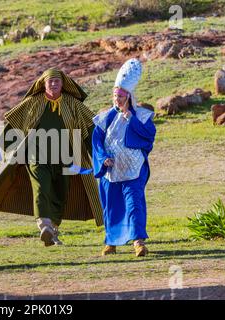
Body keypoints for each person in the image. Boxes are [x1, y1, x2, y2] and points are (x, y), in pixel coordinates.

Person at [0, 68, 103, 246]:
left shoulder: (74, 104)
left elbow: (91, 131)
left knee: (61, 194)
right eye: (50, 81)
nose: (53, 84)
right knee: (41, 188)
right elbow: (13, 126)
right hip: (36, 156)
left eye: (57, 81)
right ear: (43, 84)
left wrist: (99, 156)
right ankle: (44, 225)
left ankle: (53, 230)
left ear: (63, 84)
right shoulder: (32, 102)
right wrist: (5, 152)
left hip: (67, 158)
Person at [92, 58, 156, 257]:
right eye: (115, 95)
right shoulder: (105, 118)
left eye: (121, 96)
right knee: (111, 207)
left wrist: (131, 119)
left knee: (134, 204)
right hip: (112, 172)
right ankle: (111, 242)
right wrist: (103, 159)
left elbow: (148, 135)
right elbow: (96, 142)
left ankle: (138, 243)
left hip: (133, 169)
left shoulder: (142, 117)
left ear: (128, 96)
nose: (117, 99)